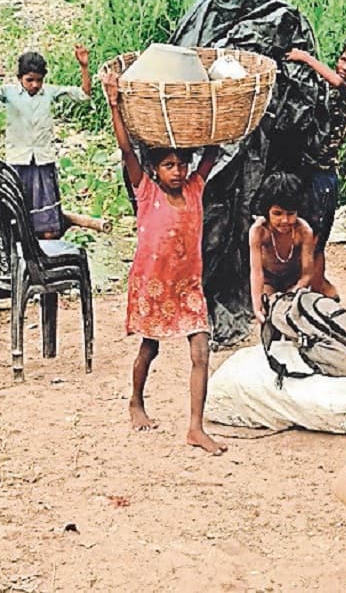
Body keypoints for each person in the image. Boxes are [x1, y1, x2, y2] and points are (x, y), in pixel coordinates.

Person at [103, 71, 226, 455]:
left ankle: (195, 427)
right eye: (169, 165)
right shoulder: (146, 191)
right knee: (149, 348)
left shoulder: (195, 188)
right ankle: (135, 401)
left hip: (188, 286)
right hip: (153, 285)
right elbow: (127, 149)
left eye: (181, 164)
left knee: (201, 351)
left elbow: (213, 150)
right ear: (155, 169)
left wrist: (215, 103)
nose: (178, 171)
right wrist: (114, 102)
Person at [0, 47, 92, 238]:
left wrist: (84, 67)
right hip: (18, 159)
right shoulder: (9, 93)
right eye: (29, 80)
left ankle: (44, 243)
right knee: (15, 213)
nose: (35, 85)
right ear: (20, 78)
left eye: (39, 80)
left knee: (48, 223)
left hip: (43, 159)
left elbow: (84, 95)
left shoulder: (49, 92)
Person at [286, 39, 346, 297]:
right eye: (343, 59)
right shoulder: (321, 87)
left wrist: (305, 58)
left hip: (322, 175)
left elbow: (337, 82)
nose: (345, 67)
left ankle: (319, 294)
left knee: (315, 241)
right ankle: (318, 291)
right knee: (301, 237)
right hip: (306, 170)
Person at [247, 172, 317, 324]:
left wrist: (293, 292)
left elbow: (307, 274)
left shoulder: (303, 231)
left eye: (290, 214)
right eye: (277, 214)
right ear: (267, 211)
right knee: (270, 312)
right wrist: (257, 306)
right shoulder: (259, 231)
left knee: (297, 316)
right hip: (269, 280)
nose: (284, 220)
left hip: (294, 280)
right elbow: (256, 272)